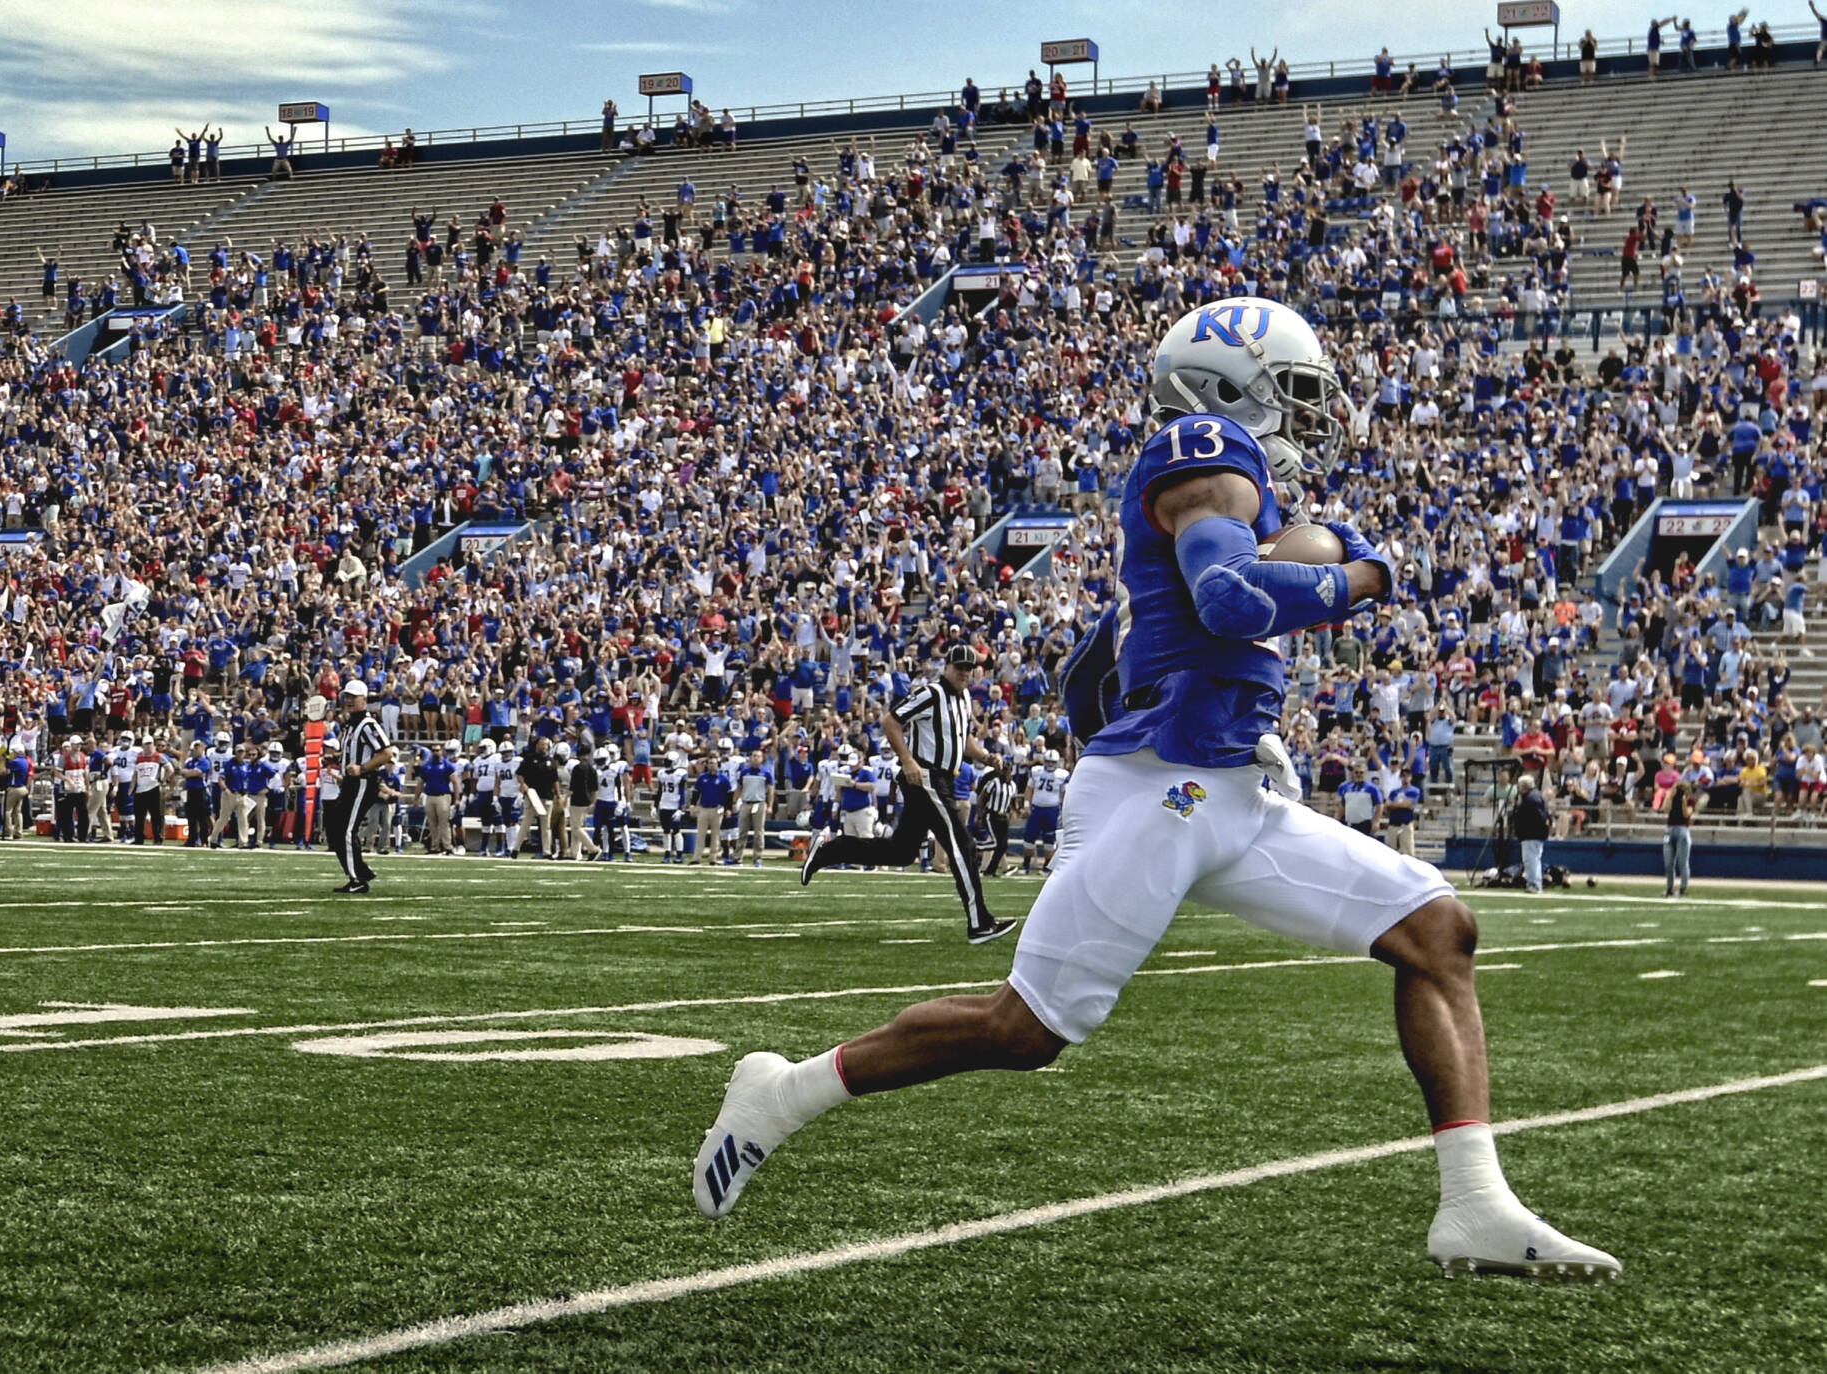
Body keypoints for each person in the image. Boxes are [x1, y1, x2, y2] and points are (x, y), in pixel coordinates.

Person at [693, 298, 1618, 1280]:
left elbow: (1088, 673)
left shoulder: (1228, 492)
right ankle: (782, 1091)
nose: (1310, 419)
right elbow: (1227, 596)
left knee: (1438, 930)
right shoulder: (1208, 452)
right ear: (1234, 385)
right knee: (1025, 1030)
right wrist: (1357, 578)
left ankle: (1472, 1205)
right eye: (1296, 394)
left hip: (1222, 788)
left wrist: (1213, 703)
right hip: (1164, 791)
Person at [800, 644, 1019, 944]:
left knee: (901, 851)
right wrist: (907, 759)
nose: (964, 674)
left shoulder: (965, 698)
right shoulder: (931, 694)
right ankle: (979, 922)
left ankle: (828, 850)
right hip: (926, 776)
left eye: (969, 669)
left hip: (940, 779)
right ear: (947, 667)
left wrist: (985, 757)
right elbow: (891, 721)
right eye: (959, 668)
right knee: (962, 845)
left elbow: (961, 737)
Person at [326, 679, 393, 893]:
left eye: (354, 697)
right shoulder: (350, 725)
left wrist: (363, 768)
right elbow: (350, 753)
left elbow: (386, 753)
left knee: (345, 829)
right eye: (347, 697)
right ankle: (358, 871)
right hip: (351, 783)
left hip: (363, 782)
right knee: (334, 827)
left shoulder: (368, 724)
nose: (349, 701)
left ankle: (358, 879)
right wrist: (334, 758)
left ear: (364, 699)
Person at [1509, 774, 1553, 892]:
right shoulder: (1536, 796)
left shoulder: (1530, 799)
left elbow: (1535, 817)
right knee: (1534, 859)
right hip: (1535, 833)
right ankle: (1535, 883)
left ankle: (1533, 884)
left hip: (1531, 833)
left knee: (1530, 859)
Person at [1662, 769, 1698, 898]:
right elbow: (1665, 809)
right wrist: (1670, 795)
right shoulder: (1672, 799)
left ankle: (1683, 888)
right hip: (1670, 829)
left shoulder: (1690, 801)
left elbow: (1686, 814)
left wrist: (1683, 801)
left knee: (1683, 861)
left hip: (1682, 830)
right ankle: (1669, 888)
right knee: (1668, 862)